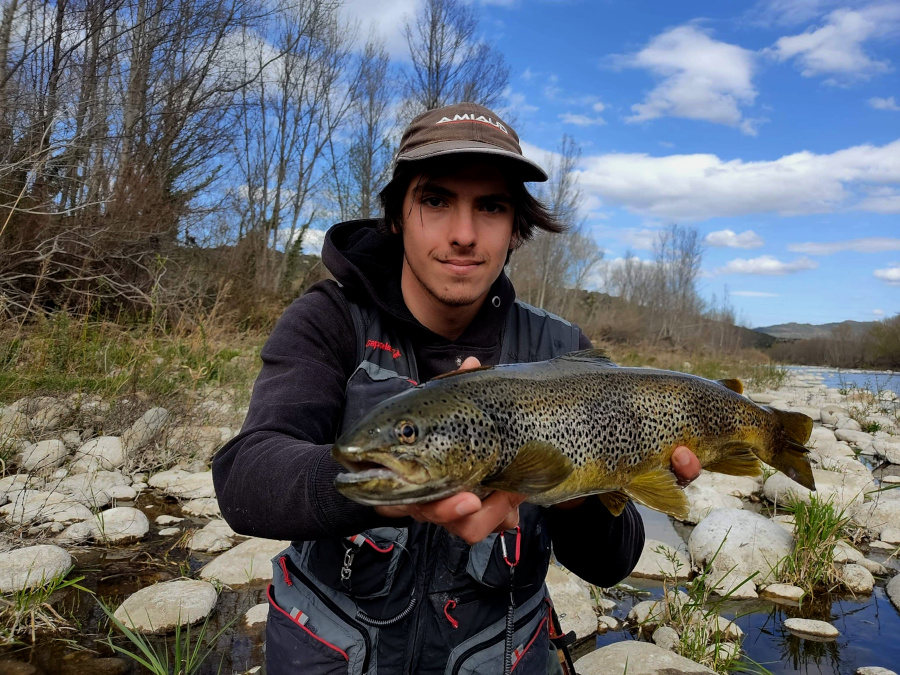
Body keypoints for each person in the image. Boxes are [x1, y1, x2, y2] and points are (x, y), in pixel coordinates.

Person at [212, 102, 701, 675]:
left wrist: (576, 491)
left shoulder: (562, 352)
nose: (464, 234)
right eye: (437, 200)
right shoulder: (328, 319)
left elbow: (610, 564)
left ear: (516, 227)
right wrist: (387, 490)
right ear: (398, 214)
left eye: (490, 207)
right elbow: (246, 475)